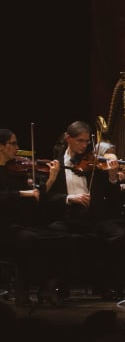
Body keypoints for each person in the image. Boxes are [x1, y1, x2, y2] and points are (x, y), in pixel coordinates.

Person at [44, 121, 125, 300]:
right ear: (68, 138)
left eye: (87, 142)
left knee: (119, 234)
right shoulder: (55, 164)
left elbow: (113, 195)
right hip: (68, 216)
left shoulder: (94, 163)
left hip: (94, 217)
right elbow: (49, 198)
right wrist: (70, 198)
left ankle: (107, 285)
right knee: (55, 232)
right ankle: (59, 283)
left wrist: (112, 176)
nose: (84, 146)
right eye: (80, 141)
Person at [0, 129, 74, 307]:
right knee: (28, 240)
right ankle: (22, 290)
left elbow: (36, 199)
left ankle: (47, 288)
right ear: (1, 146)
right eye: (13, 143)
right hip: (5, 227)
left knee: (62, 238)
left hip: (21, 225)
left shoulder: (16, 170)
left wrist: (51, 179)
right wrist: (22, 193)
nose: (17, 148)